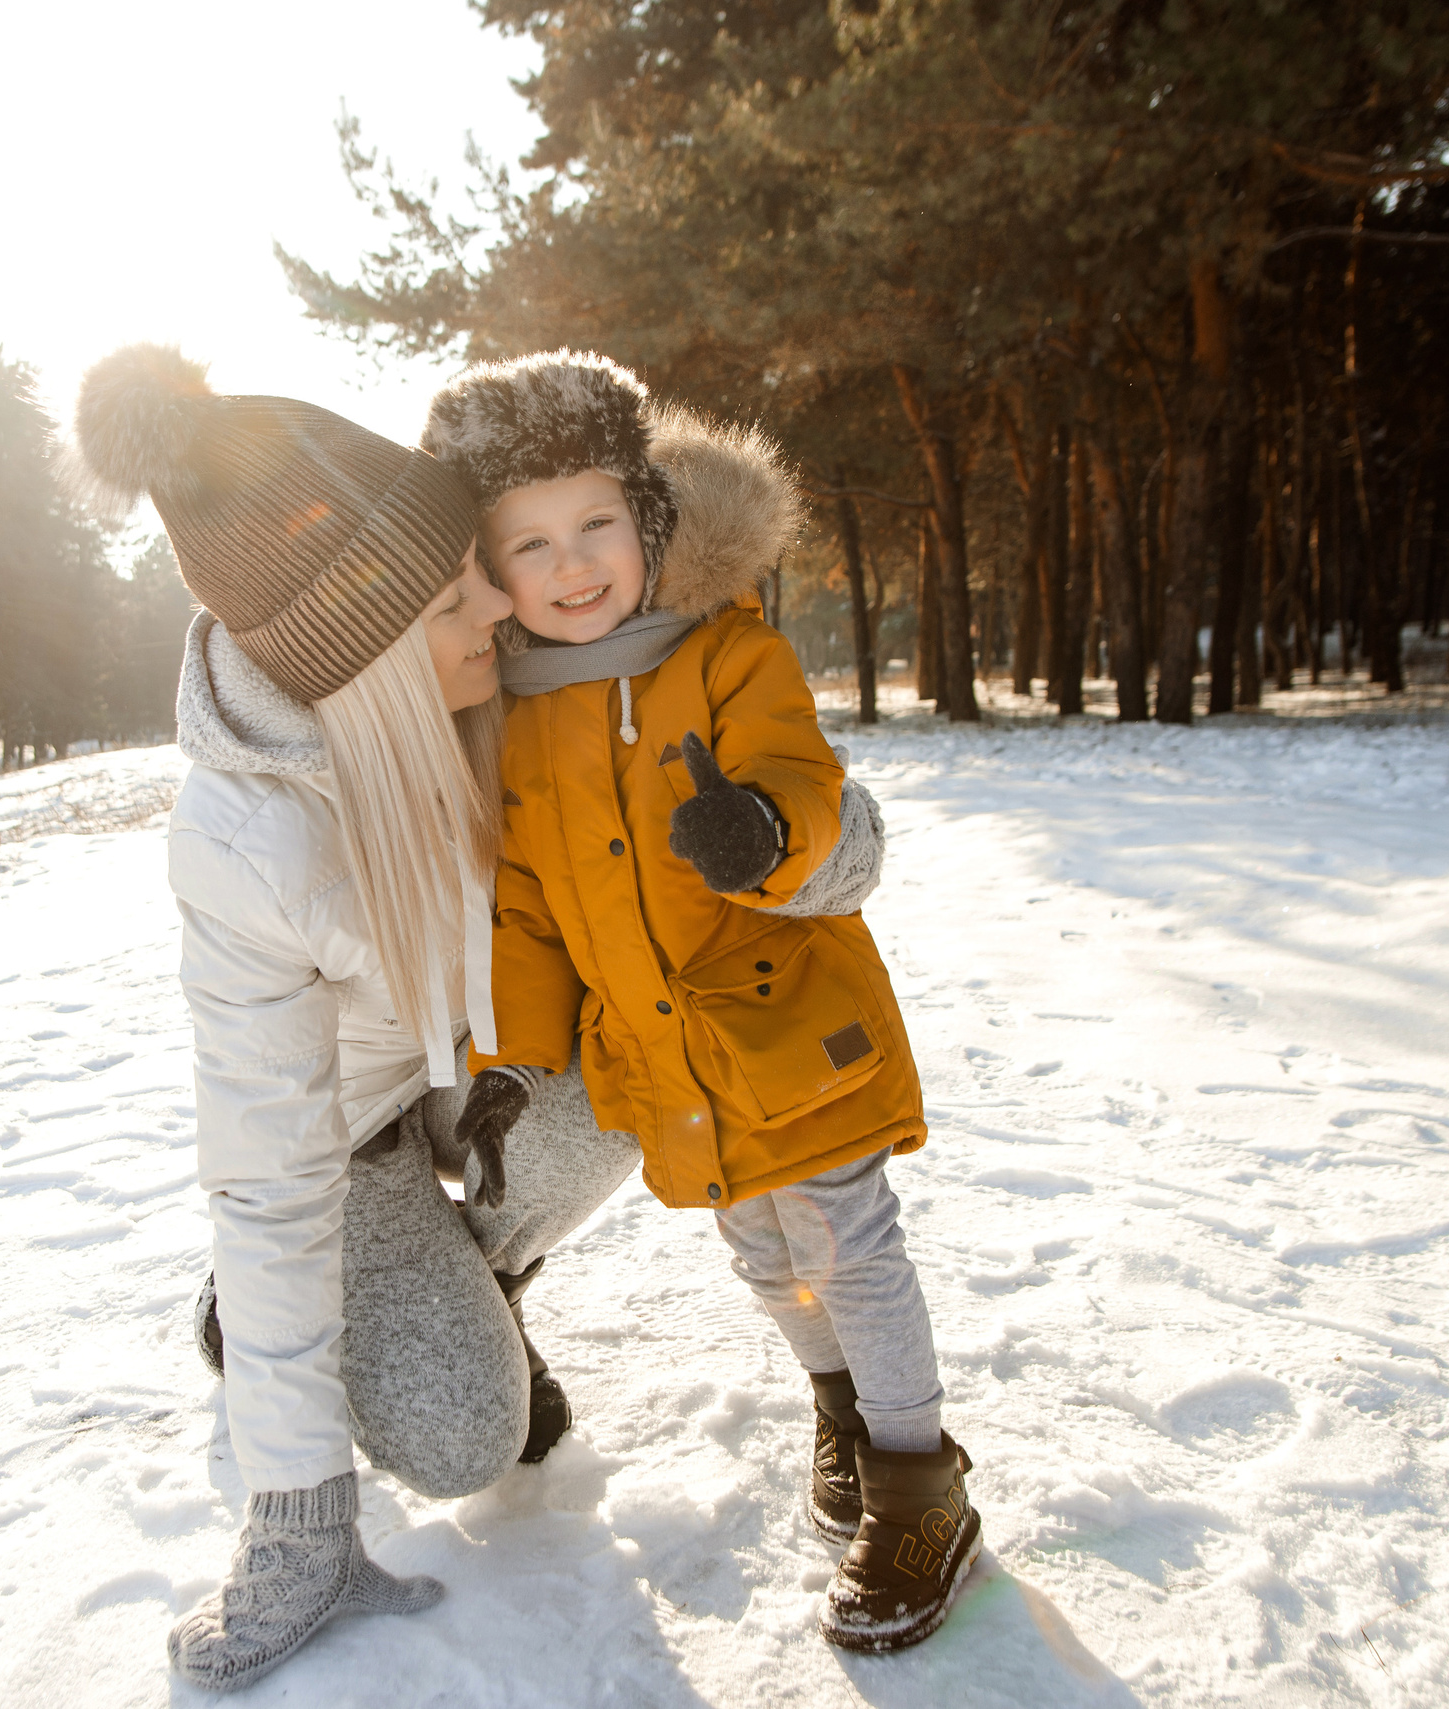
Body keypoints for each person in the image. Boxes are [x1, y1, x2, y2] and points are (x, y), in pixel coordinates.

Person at [68, 344, 643, 1693]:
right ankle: (340, 1323)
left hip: (470, 1073)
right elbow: (267, 1176)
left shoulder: (478, 692)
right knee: (465, 1439)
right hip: (350, 1152)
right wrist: (299, 1518)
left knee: (647, 1086)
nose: (503, 602)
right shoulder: (247, 841)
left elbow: (649, 579)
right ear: (371, 653)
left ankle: (470, 1281)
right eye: (457, 598)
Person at [419, 351, 982, 1654]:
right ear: (496, 567)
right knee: (769, 1258)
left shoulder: (725, 651)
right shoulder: (522, 712)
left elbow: (803, 771)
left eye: (597, 524)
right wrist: (510, 1055)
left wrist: (764, 827)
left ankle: (920, 1485)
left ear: (647, 516)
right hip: (667, 1065)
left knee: (850, 1244)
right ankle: (842, 1412)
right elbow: (529, 912)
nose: (573, 565)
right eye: (535, 541)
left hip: (793, 1028)